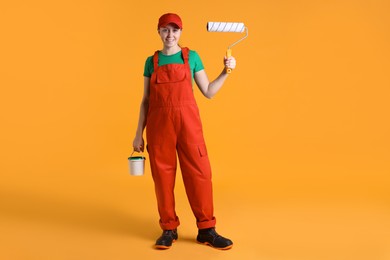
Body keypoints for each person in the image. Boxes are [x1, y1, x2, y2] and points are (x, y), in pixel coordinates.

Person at [132, 13, 236, 250]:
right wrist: (138, 133)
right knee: (163, 179)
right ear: (158, 32)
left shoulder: (192, 57)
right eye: (165, 30)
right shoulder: (152, 61)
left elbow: (208, 91)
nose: (170, 35)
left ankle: (207, 229)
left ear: (181, 32)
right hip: (159, 129)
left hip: (189, 127)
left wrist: (226, 72)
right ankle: (169, 229)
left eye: (175, 30)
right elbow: (146, 100)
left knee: (200, 174)